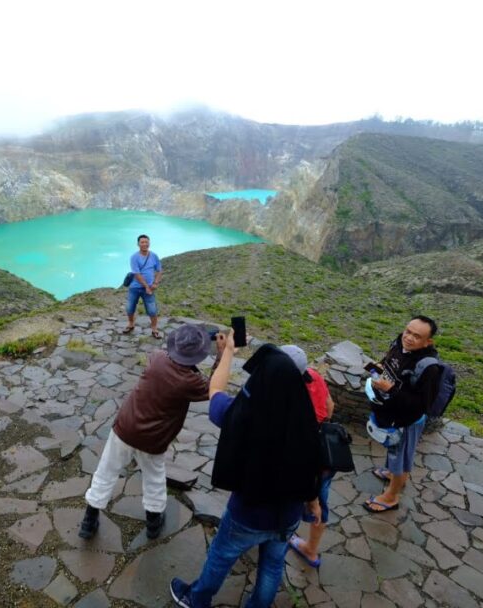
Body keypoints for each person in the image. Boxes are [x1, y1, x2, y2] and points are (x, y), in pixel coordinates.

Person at [171, 332, 321, 608]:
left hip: (248, 513)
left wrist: (228, 351)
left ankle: (197, 598)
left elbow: (214, 392)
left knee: (221, 556)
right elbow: (312, 464)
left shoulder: (242, 413)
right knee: (273, 564)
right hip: (288, 514)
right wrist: (313, 501)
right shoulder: (306, 418)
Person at [80, 323, 223, 540]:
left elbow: (170, 356)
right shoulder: (191, 382)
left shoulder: (156, 357)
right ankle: (154, 523)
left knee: (106, 471)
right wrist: (221, 355)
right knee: (154, 478)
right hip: (153, 440)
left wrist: (189, 347)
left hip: (125, 427)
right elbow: (215, 387)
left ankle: (89, 521)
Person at [363, 315, 441, 513]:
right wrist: (379, 370)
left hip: (406, 421)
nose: (408, 338)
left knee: (401, 458)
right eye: (408, 331)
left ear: (428, 341)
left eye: (417, 336)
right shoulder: (398, 344)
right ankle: (391, 474)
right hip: (391, 414)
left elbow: (421, 405)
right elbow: (389, 364)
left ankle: (391, 496)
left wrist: (390, 389)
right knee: (393, 452)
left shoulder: (429, 368)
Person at [279, 345, 335, 568]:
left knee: (287, 499)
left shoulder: (282, 391)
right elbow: (330, 406)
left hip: (298, 457)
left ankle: (276, 537)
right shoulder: (314, 376)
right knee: (321, 502)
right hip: (322, 456)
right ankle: (311, 549)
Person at [124, 234, 163, 338]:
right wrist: (146, 286)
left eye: (146, 242)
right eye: (142, 242)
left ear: (149, 243)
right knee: (130, 308)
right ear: (138, 244)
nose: (144, 244)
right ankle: (131, 324)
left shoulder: (154, 256)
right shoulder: (134, 257)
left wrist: (155, 283)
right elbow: (136, 274)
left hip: (149, 287)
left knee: (152, 309)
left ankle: (154, 329)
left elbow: (159, 270)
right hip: (135, 287)